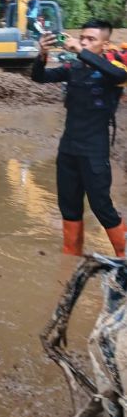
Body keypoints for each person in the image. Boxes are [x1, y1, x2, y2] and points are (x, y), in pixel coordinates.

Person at [32, 20, 127, 257]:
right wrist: (42, 53)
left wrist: (80, 51)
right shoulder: (73, 68)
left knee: (102, 207)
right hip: (68, 150)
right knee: (69, 208)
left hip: (94, 151)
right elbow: (39, 77)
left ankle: (123, 255)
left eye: (91, 39)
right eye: (82, 37)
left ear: (105, 45)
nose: (84, 41)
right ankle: (71, 258)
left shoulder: (112, 70)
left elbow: (118, 75)